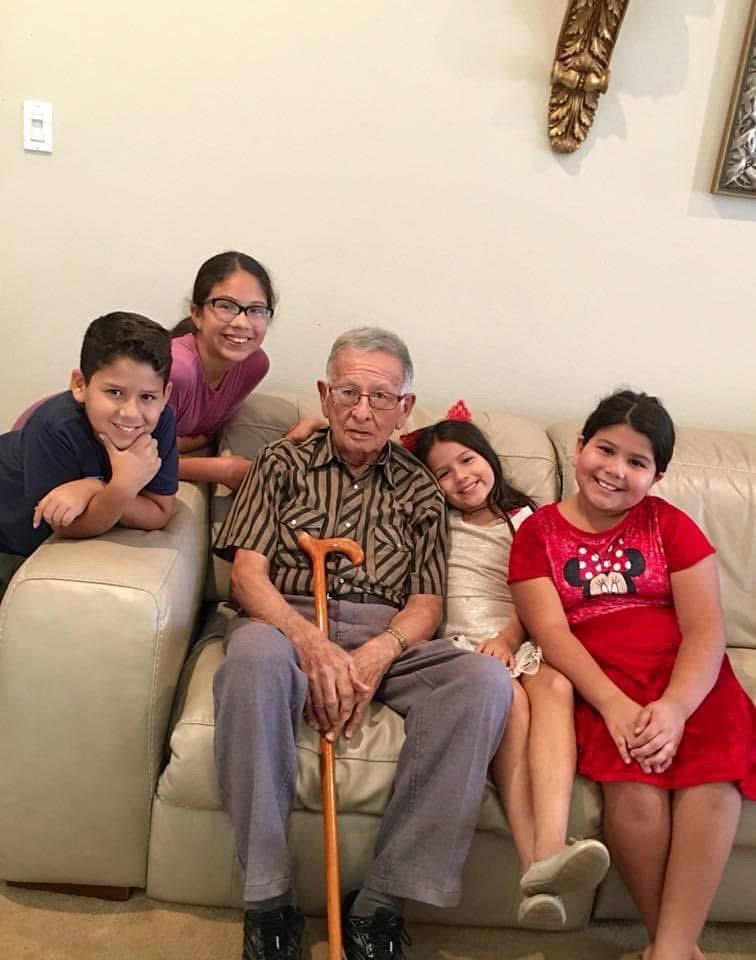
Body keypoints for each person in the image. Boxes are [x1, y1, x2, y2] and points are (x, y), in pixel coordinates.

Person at [212, 327, 513, 960]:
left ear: (406, 408)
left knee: (482, 682)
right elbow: (247, 575)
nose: (362, 410)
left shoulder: (420, 489)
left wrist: (377, 654)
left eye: (381, 396)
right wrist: (310, 643)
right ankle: (267, 900)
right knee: (253, 661)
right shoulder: (280, 462)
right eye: (348, 391)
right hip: (283, 621)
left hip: (388, 635)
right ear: (325, 395)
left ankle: (380, 906)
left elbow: (427, 604)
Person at [509, 389, 756, 960]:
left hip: (691, 681)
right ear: (579, 448)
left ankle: (668, 951)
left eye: (637, 461)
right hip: (603, 681)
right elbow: (553, 636)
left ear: (658, 475)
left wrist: (674, 708)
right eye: (606, 449)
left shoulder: (671, 526)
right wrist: (616, 706)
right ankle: (672, 947)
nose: (615, 470)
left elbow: (706, 630)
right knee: (636, 796)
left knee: (714, 785)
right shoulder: (537, 535)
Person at [410, 410, 609, 930]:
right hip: (462, 646)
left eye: (468, 460)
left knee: (557, 686)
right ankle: (534, 864)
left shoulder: (525, 519)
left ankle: (550, 848)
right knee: (511, 702)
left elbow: (538, 593)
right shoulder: (433, 521)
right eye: (443, 472)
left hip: (519, 635)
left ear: (489, 458)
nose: (461, 477)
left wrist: (508, 638)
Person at [0, 312, 178, 596]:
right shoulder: (54, 426)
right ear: (80, 385)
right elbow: (68, 527)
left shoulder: (162, 421)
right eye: (115, 392)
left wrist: (97, 487)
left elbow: (159, 511)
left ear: (165, 395)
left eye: (147, 397)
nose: (131, 412)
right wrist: (122, 487)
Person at [169, 251, 285, 490]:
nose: (242, 323)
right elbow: (125, 458)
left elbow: (206, 434)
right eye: (226, 306)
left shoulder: (254, 365)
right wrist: (221, 469)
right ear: (197, 314)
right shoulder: (178, 369)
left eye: (256, 310)